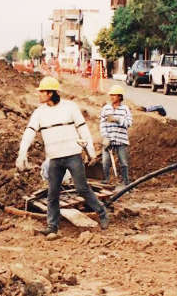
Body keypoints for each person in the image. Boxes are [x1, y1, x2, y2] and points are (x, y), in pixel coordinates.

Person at [16, 76, 109, 238]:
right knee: (52, 193)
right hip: (54, 159)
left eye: (42, 92)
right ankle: (52, 226)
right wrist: (22, 153)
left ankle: (102, 213)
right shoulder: (39, 113)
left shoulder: (70, 107)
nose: (39, 94)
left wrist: (91, 151)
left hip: (73, 155)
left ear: (51, 93)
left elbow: (83, 129)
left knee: (82, 188)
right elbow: (29, 133)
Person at [99, 84, 132, 187]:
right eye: (111, 95)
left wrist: (117, 119)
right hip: (108, 139)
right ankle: (106, 180)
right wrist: (105, 137)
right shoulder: (106, 109)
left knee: (123, 162)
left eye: (114, 95)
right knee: (105, 161)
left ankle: (125, 182)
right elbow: (102, 124)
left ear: (120, 97)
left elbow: (129, 123)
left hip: (121, 139)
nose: (112, 97)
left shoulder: (125, 109)